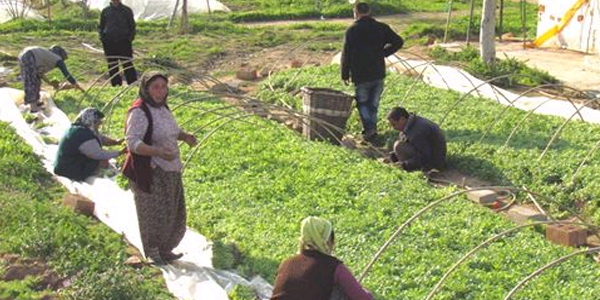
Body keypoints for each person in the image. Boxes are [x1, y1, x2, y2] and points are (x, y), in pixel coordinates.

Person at [122, 71, 197, 265]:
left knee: (173, 211)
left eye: (164, 87)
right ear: (146, 89)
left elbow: (171, 131)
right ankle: (153, 251)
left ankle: (165, 249)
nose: (161, 91)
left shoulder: (163, 108)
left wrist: (185, 136)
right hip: (150, 171)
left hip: (170, 169)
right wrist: (157, 152)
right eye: (155, 87)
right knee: (153, 213)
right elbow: (132, 142)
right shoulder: (139, 111)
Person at [341, 2, 403, 142]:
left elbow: (346, 54)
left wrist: (345, 74)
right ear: (368, 11)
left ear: (355, 12)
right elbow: (398, 41)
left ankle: (370, 130)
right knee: (373, 104)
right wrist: (384, 53)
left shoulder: (352, 30)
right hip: (377, 73)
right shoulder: (381, 28)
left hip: (360, 75)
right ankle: (371, 129)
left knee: (363, 104)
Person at [271, 216, 373, 300]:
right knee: (341, 292)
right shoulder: (334, 267)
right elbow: (364, 298)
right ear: (328, 241)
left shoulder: (287, 263)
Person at [54, 107, 124, 181]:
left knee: (103, 161)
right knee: (103, 162)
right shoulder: (82, 135)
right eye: (98, 123)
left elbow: (101, 138)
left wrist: (117, 142)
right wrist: (120, 153)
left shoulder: (80, 128)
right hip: (67, 168)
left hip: (69, 162)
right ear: (91, 121)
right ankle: (84, 175)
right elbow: (99, 154)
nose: (99, 125)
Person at [18, 45, 84, 112]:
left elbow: (40, 75)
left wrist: (50, 83)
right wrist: (75, 84)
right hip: (29, 55)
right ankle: (33, 107)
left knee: (36, 80)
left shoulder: (45, 57)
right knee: (31, 81)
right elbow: (66, 74)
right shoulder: (57, 59)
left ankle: (35, 101)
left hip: (24, 55)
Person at [385, 107, 447, 172]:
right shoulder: (411, 125)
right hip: (430, 157)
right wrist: (392, 158)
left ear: (402, 119)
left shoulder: (418, 131)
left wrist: (404, 165)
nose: (393, 128)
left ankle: (412, 169)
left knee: (399, 146)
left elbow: (424, 156)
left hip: (434, 162)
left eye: (394, 124)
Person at [99, 0, 138, 87]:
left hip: (124, 42)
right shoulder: (106, 11)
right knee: (112, 64)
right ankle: (116, 85)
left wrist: (129, 39)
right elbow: (101, 26)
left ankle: (132, 84)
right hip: (109, 42)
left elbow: (132, 26)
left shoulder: (127, 10)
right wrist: (103, 39)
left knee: (127, 63)